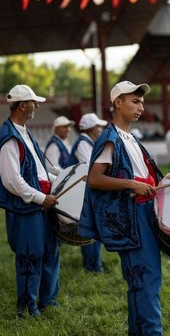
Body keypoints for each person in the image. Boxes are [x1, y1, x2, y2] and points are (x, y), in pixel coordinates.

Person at [78, 80, 164, 335]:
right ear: (118, 102)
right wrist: (131, 184)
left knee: (145, 280)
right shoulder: (110, 138)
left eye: (142, 103)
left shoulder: (131, 138)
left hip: (145, 212)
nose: (140, 107)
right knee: (144, 280)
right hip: (132, 216)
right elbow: (94, 179)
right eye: (134, 101)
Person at [0, 84, 60, 318]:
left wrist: (60, 180)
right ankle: (27, 308)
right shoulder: (10, 137)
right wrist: (41, 198)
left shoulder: (23, 132)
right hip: (28, 206)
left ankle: (47, 300)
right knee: (30, 256)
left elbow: (38, 170)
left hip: (41, 202)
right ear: (22, 106)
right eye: (33, 102)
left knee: (50, 251)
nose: (37, 106)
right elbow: (11, 180)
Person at [68, 112, 108, 273]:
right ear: (92, 129)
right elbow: (90, 169)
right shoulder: (84, 144)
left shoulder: (87, 143)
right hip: (83, 194)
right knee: (91, 228)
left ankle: (94, 263)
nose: (100, 129)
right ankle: (92, 266)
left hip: (85, 192)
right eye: (98, 126)